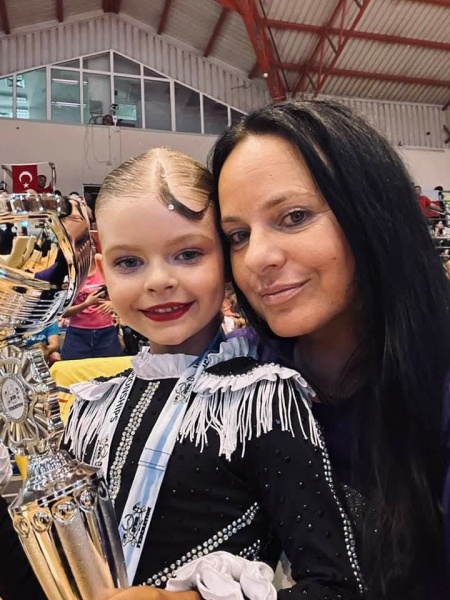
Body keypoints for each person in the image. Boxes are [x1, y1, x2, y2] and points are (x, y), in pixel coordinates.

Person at [0, 147, 368, 600]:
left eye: (188, 254)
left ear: (227, 261)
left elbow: (338, 586)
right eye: (129, 262)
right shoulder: (91, 407)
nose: (158, 281)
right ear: (102, 269)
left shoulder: (262, 400)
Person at [210, 100, 450, 600]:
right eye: (238, 235)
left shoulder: (437, 382)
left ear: (372, 212)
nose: (257, 257)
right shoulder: (236, 376)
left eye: (294, 217)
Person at [61, 245, 122, 360]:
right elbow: (63, 312)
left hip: (106, 332)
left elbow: (122, 293)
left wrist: (112, 304)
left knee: (111, 367)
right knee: (74, 367)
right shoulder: (71, 276)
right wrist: (86, 304)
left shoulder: (104, 269)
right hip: (78, 333)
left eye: (91, 245)